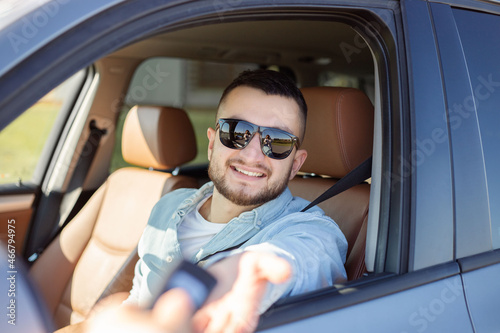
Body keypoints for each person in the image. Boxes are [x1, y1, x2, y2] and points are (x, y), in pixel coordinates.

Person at [124, 69, 348, 332]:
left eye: (277, 141)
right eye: (236, 132)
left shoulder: (309, 230)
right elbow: (137, 299)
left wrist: (241, 271)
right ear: (212, 144)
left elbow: (305, 257)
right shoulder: (168, 206)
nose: (252, 155)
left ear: (296, 163)